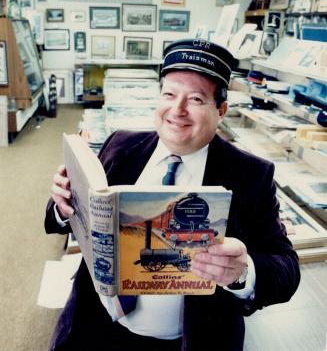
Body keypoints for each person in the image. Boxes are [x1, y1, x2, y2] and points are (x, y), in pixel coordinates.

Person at [45, 38, 300, 351]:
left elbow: (286, 269)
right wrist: (61, 205)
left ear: (221, 110)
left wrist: (244, 270)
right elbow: (62, 220)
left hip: (190, 340)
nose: (177, 110)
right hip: (97, 328)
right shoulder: (121, 145)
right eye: (169, 94)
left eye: (195, 99)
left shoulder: (252, 175)